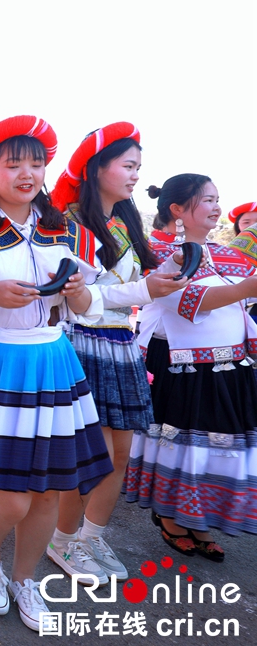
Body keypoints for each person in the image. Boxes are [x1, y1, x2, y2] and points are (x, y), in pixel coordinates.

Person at [0, 116, 113, 632]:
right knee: (12, 492)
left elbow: (91, 305)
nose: (27, 172)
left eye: (36, 162)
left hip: (52, 360)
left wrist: (79, 292)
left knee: (50, 490)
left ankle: (25, 576)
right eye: (13, 162)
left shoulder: (69, 231)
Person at [45, 123, 185, 584]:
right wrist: (145, 286)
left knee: (119, 454)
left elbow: (132, 284)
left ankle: (91, 535)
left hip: (120, 345)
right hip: (80, 341)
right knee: (89, 455)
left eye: (138, 168)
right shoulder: (66, 223)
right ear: (96, 168)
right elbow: (80, 298)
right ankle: (62, 541)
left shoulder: (124, 223)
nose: (134, 176)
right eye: (128, 166)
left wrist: (170, 270)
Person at [125, 174, 257, 561]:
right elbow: (189, 302)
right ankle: (171, 517)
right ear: (178, 210)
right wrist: (247, 289)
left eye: (218, 200)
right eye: (208, 200)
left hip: (230, 365)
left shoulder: (226, 252)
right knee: (181, 446)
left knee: (217, 449)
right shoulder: (155, 252)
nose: (217, 207)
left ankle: (196, 518)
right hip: (181, 367)